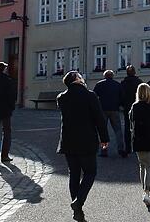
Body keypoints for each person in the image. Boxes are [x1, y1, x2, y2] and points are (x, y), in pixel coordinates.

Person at [57, 71, 110, 221]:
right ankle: (78, 202)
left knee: (74, 174)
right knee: (90, 172)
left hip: (68, 141)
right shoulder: (90, 95)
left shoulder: (61, 98)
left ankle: (77, 211)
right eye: (80, 76)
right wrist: (104, 138)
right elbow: (99, 118)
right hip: (86, 140)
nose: (82, 78)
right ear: (76, 79)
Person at [0, 61, 17, 162]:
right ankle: (4, 156)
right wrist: (12, 107)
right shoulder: (7, 80)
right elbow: (11, 96)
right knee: (7, 132)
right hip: (5, 109)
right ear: (3, 69)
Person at [94, 70, 126, 157]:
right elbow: (122, 97)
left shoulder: (99, 84)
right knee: (118, 130)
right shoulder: (117, 85)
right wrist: (118, 105)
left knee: (103, 131)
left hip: (103, 109)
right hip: (114, 109)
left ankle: (104, 150)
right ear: (112, 76)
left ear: (104, 76)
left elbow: (94, 96)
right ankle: (121, 149)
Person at [120, 65, 143, 154]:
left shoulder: (123, 83)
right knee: (138, 126)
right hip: (138, 106)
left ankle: (128, 147)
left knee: (127, 127)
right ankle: (137, 146)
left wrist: (122, 104)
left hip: (127, 107)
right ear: (134, 72)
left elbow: (121, 96)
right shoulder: (139, 82)